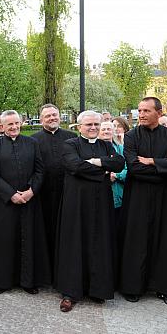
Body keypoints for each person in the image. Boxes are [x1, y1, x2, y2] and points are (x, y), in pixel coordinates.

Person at [118, 97, 167, 308]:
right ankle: (133, 287)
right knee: (136, 239)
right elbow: (134, 167)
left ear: (159, 112)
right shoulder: (131, 136)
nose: (141, 114)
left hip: (164, 196)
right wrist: (165, 166)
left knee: (166, 239)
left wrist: (152, 161)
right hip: (137, 195)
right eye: (139, 110)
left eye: (146, 111)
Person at [56, 111, 125, 312]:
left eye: (96, 124)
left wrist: (94, 162)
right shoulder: (70, 144)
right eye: (89, 125)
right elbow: (75, 166)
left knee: (99, 242)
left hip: (101, 202)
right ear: (79, 127)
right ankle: (70, 293)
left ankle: (98, 289)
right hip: (76, 202)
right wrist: (103, 169)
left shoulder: (106, 144)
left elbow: (119, 163)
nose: (93, 127)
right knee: (74, 244)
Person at [0, 110, 49, 294]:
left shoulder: (32, 143)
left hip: (29, 200)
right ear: (2, 126)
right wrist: (11, 194)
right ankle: (2, 282)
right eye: (10, 124)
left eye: (16, 123)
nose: (14, 127)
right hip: (6, 202)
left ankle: (29, 281)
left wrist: (31, 191)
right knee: (5, 241)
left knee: (29, 239)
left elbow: (40, 170)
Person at [30, 103, 76, 282]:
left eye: (54, 115)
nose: (52, 118)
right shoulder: (33, 140)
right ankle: (46, 273)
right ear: (41, 120)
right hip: (43, 194)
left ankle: (63, 271)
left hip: (67, 192)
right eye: (48, 116)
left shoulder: (71, 137)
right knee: (45, 232)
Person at [99, 121, 127, 220]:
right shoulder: (93, 149)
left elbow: (130, 169)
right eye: (103, 129)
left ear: (113, 132)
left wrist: (116, 175)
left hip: (119, 196)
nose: (106, 131)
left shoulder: (121, 149)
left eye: (109, 129)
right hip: (99, 197)